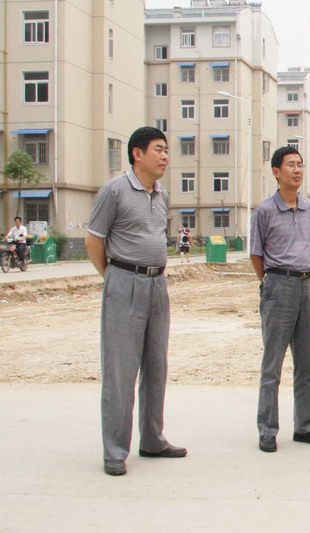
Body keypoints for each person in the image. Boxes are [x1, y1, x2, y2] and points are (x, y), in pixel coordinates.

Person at [85, 126, 186, 476]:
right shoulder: (114, 191)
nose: (165, 156)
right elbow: (93, 241)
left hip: (157, 284)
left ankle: (153, 439)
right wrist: (114, 277)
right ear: (137, 154)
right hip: (124, 281)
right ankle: (115, 450)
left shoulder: (161, 194)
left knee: (156, 366)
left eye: (166, 150)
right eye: (158, 149)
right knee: (121, 371)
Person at [249, 146, 310, 453]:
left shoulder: (309, 208)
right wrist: (271, 282)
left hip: (307, 285)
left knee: (306, 363)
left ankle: (304, 426)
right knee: (272, 365)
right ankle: (267, 430)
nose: (297, 170)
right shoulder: (265, 211)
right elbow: (256, 255)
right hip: (278, 285)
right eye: (291, 165)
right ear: (276, 172)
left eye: (300, 164)